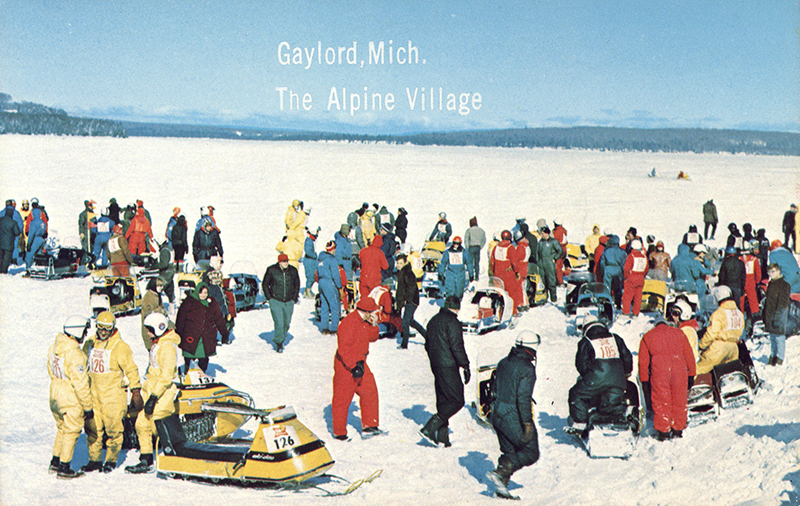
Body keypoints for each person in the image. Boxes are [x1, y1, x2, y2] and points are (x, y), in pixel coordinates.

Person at [81, 311, 142, 473]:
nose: (103, 331)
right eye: (100, 327)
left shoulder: (120, 347)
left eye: (107, 328)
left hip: (113, 395)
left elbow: (131, 369)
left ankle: (110, 459)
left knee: (114, 430)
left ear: (113, 328)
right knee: (93, 428)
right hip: (94, 394)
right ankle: (94, 460)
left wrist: (136, 391)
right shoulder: (90, 344)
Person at [486, 331, 541, 501]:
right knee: (531, 452)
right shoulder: (527, 369)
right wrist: (527, 423)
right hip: (512, 415)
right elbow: (523, 399)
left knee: (510, 451)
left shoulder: (503, 362)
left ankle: (501, 488)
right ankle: (500, 472)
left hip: (497, 413)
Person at [125, 313, 180, 474]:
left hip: (163, 392)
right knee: (142, 423)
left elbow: (166, 376)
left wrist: (154, 397)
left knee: (158, 423)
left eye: (150, 330)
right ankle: (146, 459)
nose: (148, 334)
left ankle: (175, 458)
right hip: (152, 390)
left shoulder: (167, 347)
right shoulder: (158, 345)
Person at [419, 296, 470, 447]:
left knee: (443, 399)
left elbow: (427, 345)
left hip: (436, 364)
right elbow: (457, 346)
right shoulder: (453, 322)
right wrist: (465, 365)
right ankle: (430, 428)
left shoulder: (433, 321)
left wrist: (435, 359)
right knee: (457, 400)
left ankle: (443, 437)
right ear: (457, 308)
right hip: (448, 366)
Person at [639, 311, 697, 441]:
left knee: (661, 399)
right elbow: (689, 355)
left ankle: (663, 431)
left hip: (659, 371)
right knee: (679, 398)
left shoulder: (647, 337)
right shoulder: (679, 333)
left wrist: (644, 381)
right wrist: (691, 374)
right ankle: (678, 429)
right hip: (679, 369)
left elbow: (643, 363)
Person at [48, 315, 93, 479]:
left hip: (55, 392)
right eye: (84, 331)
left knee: (61, 428)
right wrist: (88, 407)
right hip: (70, 396)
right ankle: (64, 467)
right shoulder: (75, 355)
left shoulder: (55, 347)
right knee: (71, 431)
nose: (86, 334)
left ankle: (55, 461)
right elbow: (81, 384)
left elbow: (50, 368)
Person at [567, 319, 633, 433]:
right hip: (618, 379)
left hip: (597, 378)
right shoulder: (615, 338)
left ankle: (580, 424)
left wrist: (588, 376)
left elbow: (581, 364)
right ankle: (623, 413)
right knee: (611, 404)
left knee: (576, 394)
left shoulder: (586, 341)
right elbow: (627, 357)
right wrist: (626, 374)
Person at [331, 297, 383, 440]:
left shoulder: (364, 322)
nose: (374, 314)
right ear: (366, 311)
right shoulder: (348, 323)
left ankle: (370, 425)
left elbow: (372, 338)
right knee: (342, 398)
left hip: (360, 362)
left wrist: (373, 325)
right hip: (346, 366)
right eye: (372, 312)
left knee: (370, 390)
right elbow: (343, 349)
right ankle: (339, 432)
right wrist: (353, 366)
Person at [176, 282, 228, 372]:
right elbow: (181, 318)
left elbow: (219, 318)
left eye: (205, 293)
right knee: (189, 358)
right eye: (201, 292)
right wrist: (179, 333)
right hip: (191, 335)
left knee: (204, 359)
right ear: (197, 292)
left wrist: (224, 333)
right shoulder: (189, 301)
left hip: (205, 338)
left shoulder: (212, 302)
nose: (203, 295)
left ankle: (202, 375)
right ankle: (187, 375)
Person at [696, 286, 744, 374]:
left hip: (719, 348)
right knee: (728, 374)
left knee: (699, 369)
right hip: (733, 348)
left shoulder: (719, 313)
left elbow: (712, 333)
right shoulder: (739, 313)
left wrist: (701, 345)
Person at [262, 253, 300, 352]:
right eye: (283, 261)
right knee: (279, 322)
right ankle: (279, 342)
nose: (285, 263)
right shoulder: (271, 270)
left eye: (286, 261)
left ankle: (281, 336)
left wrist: (294, 298)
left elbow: (297, 284)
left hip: (289, 301)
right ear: (279, 262)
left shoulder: (293, 270)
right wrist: (269, 298)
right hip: (276, 300)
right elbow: (265, 284)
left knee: (286, 322)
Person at [394, 253, 427, 349]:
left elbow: (411, 288)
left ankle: (404, 345)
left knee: (405, 322)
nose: (398, 265)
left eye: (400, 263)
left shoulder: (407, 273)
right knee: (411, 321)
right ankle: (428, 336)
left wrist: (406, 300)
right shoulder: (402, 272)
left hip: (412, 300)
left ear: (405, 263)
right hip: (410, 300)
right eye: (397, 263)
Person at [763, 264, 791, 366]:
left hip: (779, 314)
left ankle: (780, 357)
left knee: (779, 337)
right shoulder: (771, 284)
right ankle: (773, 355)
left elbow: (783, 303)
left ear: (779, 271)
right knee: (772, 337)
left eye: (773, 271)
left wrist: (778, 317)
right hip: (770, 314)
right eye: (769, 272)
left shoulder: (784, 285)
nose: (771, 274)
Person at [317, 241, 343, 335]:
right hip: (329, 283)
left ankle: (324, 328)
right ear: (333, 249)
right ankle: (334, 329)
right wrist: (340, 287)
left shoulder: (320, 259)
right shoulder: (332, 260)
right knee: (334, 306)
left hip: (321, 283)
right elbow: (336, 275)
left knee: (325, 306)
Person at [438, 236, 470, 301]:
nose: (456, 245)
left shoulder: (464, 252)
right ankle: (449, 303)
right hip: (450, 273)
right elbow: (443, 263)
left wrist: (471, 273)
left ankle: (457, 303)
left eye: (458, 244)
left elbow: (469, 263)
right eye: (455, 243)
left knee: (459, 291)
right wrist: (440, 273)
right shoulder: (448, 252)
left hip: (460, 273)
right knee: (450, 290)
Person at [140, 277, 169, 350]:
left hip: (158, 326)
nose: (161, 288)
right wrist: (158, 311)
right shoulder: (147, 296)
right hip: (149, 329)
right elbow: (147, 312)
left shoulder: (157, 295)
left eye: (162, 286)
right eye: (159, 286)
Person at [622, 239, 649, 316]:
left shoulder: (631, 256)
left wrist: (625, 278)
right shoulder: (644, 257)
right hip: (641, 278)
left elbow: (626, 269)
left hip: (632, 277)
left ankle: (626, 312)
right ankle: (635, 313)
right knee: (638, 297)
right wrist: (642, 276)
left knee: (627, 296)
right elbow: (646, 269)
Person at [599, 234, 627, 309]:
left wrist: (603, 271)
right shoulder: (622, 251)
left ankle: (606, 303)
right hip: (618, 269)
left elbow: (602, 262)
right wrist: (623, 272)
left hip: (608, 268)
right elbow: (624, 263)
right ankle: (618, 304)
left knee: (607, 287)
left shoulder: (606, 250)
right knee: (618, 287)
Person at [536, 227, 562, 303]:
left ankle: (553, 298)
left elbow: (560, 251)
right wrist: (538, 261)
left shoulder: (553, 241)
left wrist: (555, 258)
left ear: (547, 233)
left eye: (543, 234)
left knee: (551, 281)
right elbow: (537, 252)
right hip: (541, 263)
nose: (542, 235)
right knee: (543, 281)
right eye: (541, 234)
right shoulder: (540, 242)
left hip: (549, 263)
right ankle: (545, 298)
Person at [358, 234, 388, 298]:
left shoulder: (363, 251)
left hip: (364, 277)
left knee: (364, 298)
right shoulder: (380, 253)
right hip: (375, 280)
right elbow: (385, 266)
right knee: (374, 298)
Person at [718, 245, 746, 310]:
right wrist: (742, 288)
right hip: (737, 287)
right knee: (737, 305)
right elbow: (743, 277)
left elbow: (722, 276)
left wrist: (720, 286)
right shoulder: (741, 263)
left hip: (727, 287)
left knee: (727, 304)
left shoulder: (725, 263)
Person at [24, 198, 48, 273]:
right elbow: (46, 224)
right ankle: (41, 269)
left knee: (29, 255)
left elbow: (30, 231)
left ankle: (28, 270)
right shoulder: (42, 216)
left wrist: (28, 244)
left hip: (35, 239)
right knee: (40, 254)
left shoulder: (32, 218)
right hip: (42, 239)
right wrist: (45, 233)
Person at [740, 242, 762, 316]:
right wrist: (757, 281)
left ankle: (740, 315)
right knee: (753, 300)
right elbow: (758, 273)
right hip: (750, 281)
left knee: (740, 300)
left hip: (741, 281)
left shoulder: (739, 258)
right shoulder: (754, 259)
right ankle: (755, 315)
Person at [463, 217, 486, 282]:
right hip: (477, 247)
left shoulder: (469, 230)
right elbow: (484, 240)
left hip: (471, 247)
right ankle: (477, 276)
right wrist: (480, 246)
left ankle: (471, 276)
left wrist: (467, 248)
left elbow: (466, 239)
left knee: (470, 262)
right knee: (477, 263)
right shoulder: (481, 230)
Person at [0, 206, 21, 273]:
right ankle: (4, 271)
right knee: (7, 258)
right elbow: (17, 232)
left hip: (0, 242)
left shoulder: (1, 220)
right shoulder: (13, 222)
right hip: (9, 243)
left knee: (0, 257)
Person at [302, 227, 319, 299]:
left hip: (311, 261)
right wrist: (314, 255)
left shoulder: (311, 240)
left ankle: (307, 290)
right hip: (309, 261)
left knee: (312, 276)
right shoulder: (309, 241)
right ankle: (308, 291)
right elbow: (308, 251)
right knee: (310, 276)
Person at [552, 219, 568, 285]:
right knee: (560, 266)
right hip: (564, 250)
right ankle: (560, 280)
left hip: (558, 251)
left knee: (557, 268)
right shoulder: (564, 230)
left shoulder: (556, 232)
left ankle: (560, 282)